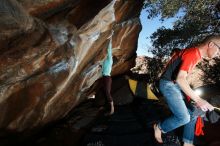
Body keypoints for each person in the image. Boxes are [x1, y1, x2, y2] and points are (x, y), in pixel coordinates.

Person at [154, 34, 220, 146]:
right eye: (219, 51)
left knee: (194, 112)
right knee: (183, 118)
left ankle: (187, 142)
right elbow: (180, 79)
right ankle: (159, 127)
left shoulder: (195, 54)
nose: (218, 55)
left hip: (174, 84)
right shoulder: (194, 53)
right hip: (168, 84)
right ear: (211, 44)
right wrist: (199, 99)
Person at [102, 32, 114, 116]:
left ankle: (112, 109)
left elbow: (109, 49)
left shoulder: (110, 60)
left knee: (107, 93)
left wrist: (110, 38)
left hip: (107, 78)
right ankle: (107, 107)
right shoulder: (104, 61)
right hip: (104, 77)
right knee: (105, 92)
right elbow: (102, 69)